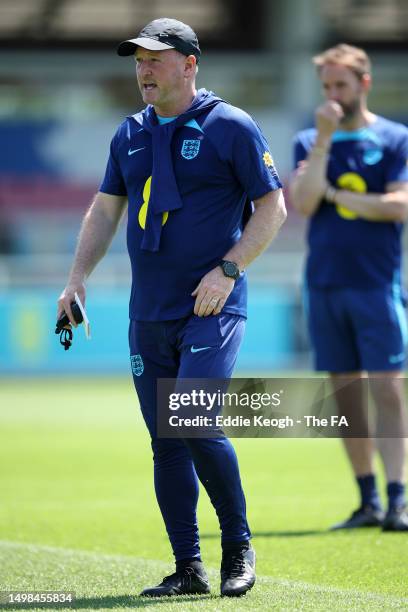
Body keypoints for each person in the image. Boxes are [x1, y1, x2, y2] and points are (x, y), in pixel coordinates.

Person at [58, 17, 286, 597]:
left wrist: (228, 270)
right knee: (165, 440)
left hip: (212, 307)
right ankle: (188, 568)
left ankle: (238, 547)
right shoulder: (128, 132)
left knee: (193, 423)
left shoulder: (229, 125)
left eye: (155, 59)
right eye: (138, 61)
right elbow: (105, 209)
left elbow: (272, 208)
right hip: (148, 312)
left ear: (189, 64)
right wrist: (76, 278)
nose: (143, 71)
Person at [289, 44, 408, 531]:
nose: (333, 95)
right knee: (344, 394)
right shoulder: (309, 140)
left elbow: (398, 206)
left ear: (364, 82)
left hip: (377, 284)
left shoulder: (394, 138)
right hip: (324, 283)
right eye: (326, 87)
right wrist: (322, 141)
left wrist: (336, 193)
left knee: (388, 388)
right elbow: (302, 203)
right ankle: (367, 499)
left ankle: (398, 498)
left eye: (341, 84)